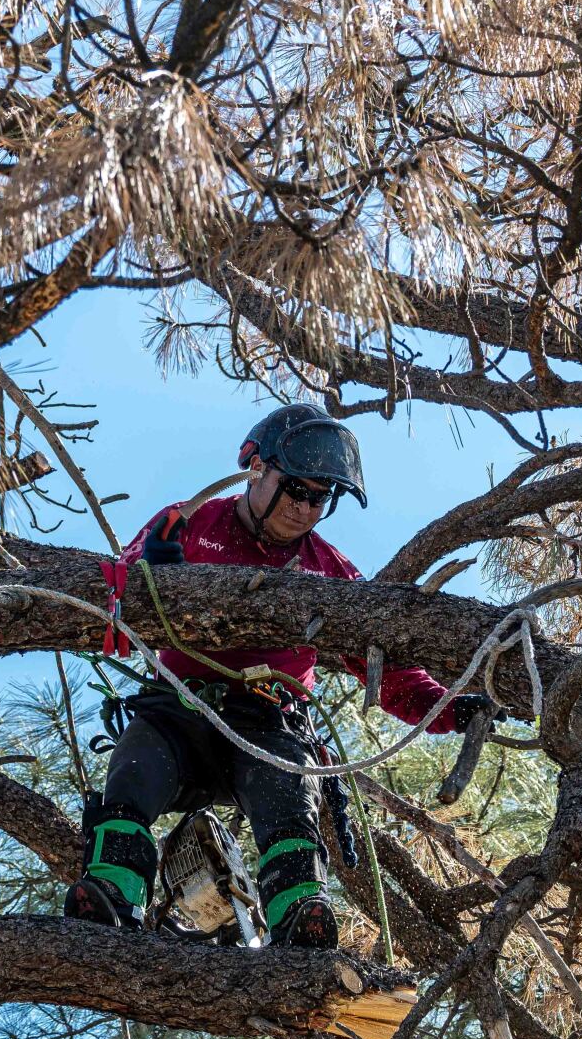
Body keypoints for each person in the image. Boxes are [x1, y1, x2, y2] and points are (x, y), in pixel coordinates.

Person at [64, 405, 498, 948]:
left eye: (321, 497)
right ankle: (109, 896)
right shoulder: (187, 523)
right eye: (294, 487)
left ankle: (301, 918)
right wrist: (154, 575)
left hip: (269, 723)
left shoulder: (329, 569)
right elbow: (116, 603)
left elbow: (386, 667)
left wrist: (448, 708)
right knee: (132, 777)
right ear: (255, 468)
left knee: (289, 801)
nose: (304, 506)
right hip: (177, 711)